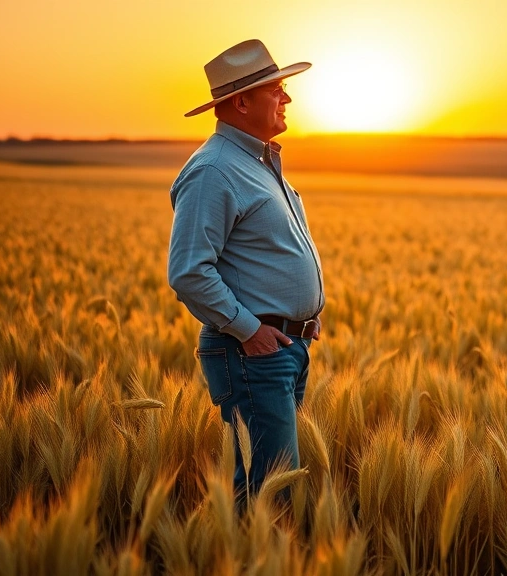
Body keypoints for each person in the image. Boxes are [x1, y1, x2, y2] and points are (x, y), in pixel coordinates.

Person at [167, 39, 324, 505]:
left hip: (284, 348)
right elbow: (189, 271)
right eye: (276, 89)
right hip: (252, 354)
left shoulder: (259, 162)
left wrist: (299, 316)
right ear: (240, 102)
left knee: (274, 485)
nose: (287, 98)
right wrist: (250, 330)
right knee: (269, 495)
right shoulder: (214, 170)